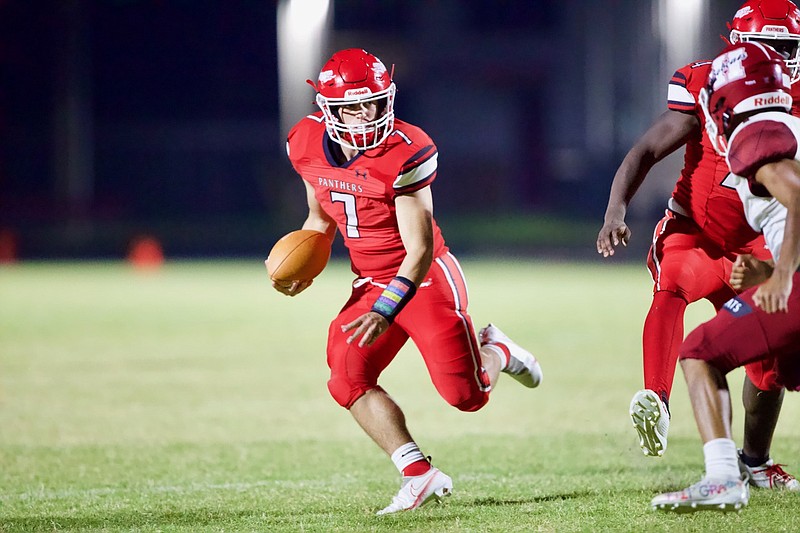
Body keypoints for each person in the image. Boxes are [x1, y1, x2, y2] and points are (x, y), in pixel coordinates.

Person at [273, 48, 543, 515]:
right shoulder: (304, 142)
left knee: (467, 396)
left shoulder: (406, 150)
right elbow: (319, 219)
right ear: (328, 109)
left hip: (424, 280)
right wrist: (301, 268)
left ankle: (498, 350)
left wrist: (385, 308)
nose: (367, 114)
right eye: (353, 106)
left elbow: (417, 251)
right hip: (370, 280)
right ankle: (419, 474)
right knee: (346, 377)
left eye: (374, 102)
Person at [596, 0, 800, 490]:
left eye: (789, 47)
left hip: (764, 246)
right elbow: (647, 147)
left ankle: (752, 460)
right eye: (770, 46)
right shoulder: (714, 85)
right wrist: (615, 212)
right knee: (674, 290)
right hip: (700, 233)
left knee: (768, 364)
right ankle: (657, 400)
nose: (780, 57)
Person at [652, 40, 800, 512]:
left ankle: (722, 478)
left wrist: (782, 276)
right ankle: (752, 462)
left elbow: (798, 198)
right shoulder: (788, 124)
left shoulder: (755, 133)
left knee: (699, 352)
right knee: (780, 371)